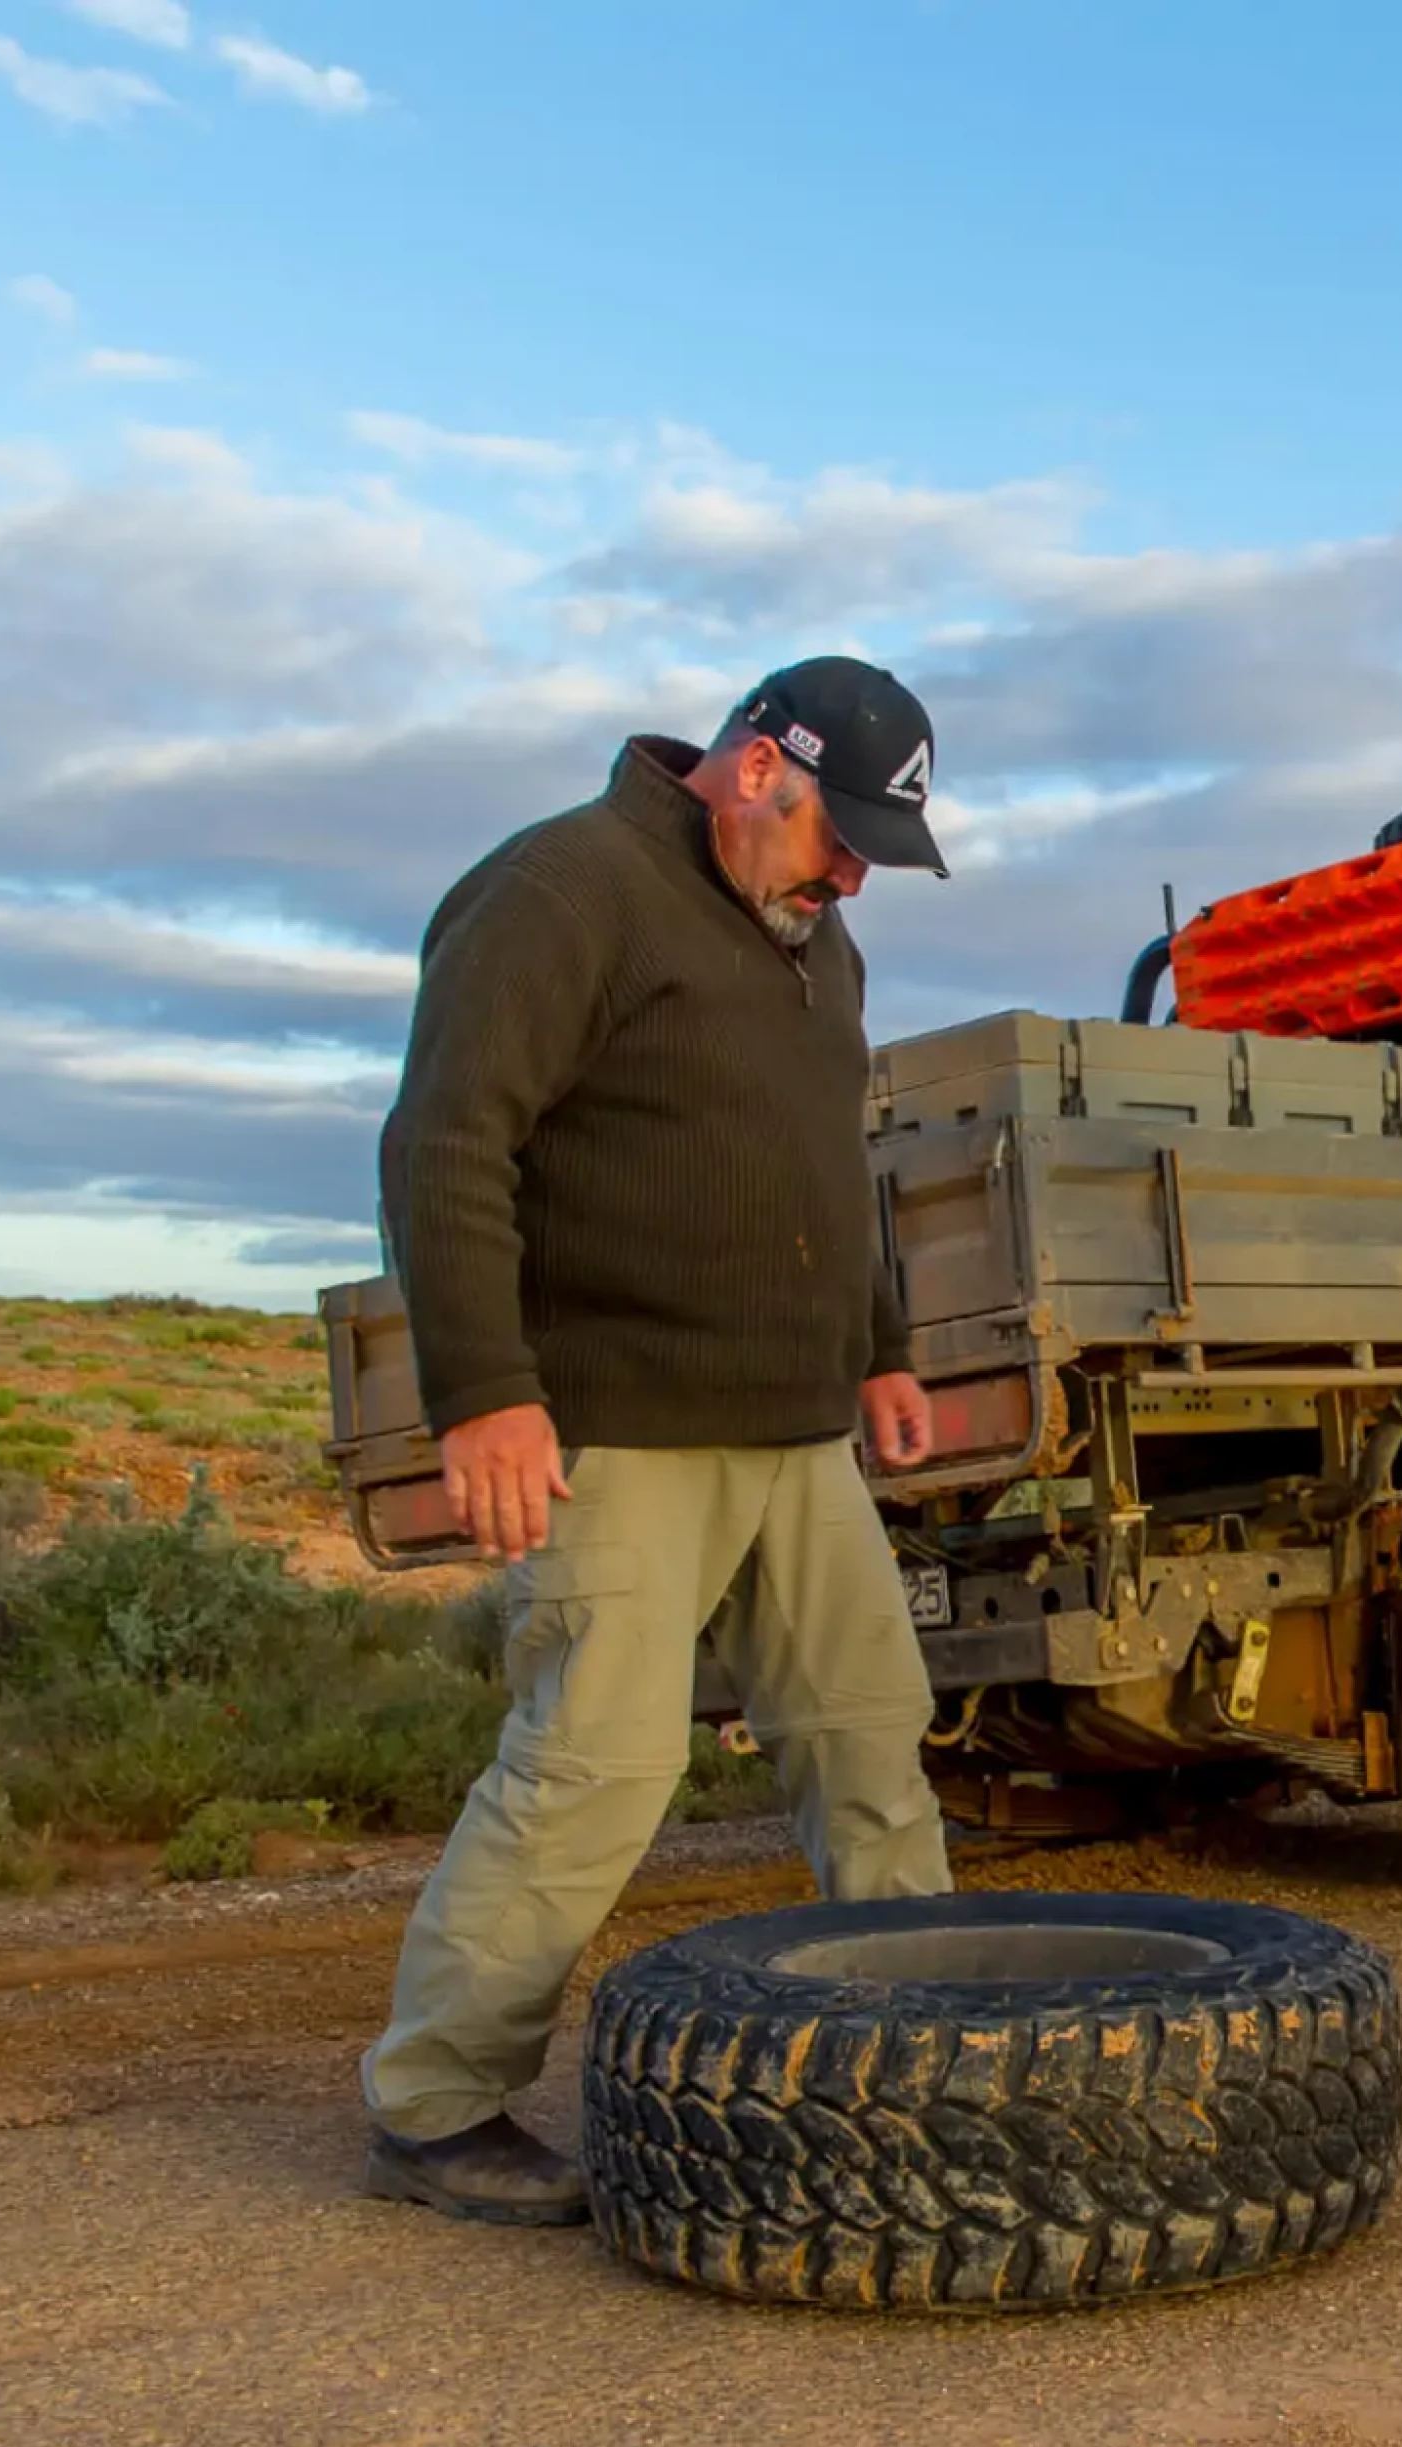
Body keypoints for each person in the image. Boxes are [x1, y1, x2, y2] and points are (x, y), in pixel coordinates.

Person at [356, 658, 958, 2226]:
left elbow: (834, 1163)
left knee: (869, 1735)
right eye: (842, 835)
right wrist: (484, 1387)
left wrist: (880, 1352)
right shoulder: (565, 889)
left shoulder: (820, 942)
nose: (849, 874)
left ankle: (939, 2045)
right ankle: (435, 2105)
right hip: (621, 1429)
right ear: (759, 769)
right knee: (593, 1771)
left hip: (795, 1433)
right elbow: (446, 1138)